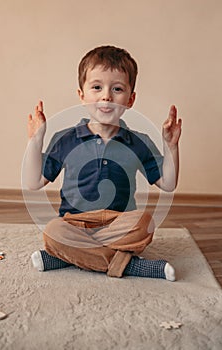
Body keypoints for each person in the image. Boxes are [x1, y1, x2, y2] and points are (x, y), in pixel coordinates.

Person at [25, 45, 182, 281]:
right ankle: (128, 265)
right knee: (53, 232)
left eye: (117, 89)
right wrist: (35, 140)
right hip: (74, 223)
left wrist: (171, 146)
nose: (106, 96)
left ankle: (66, 256)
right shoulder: (66, 139)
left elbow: (168, 184)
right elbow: (33, 182)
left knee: (144, 223)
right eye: (97, 87)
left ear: (130, 99)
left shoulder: (138, 142)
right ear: (82, 95)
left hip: (118, 222)